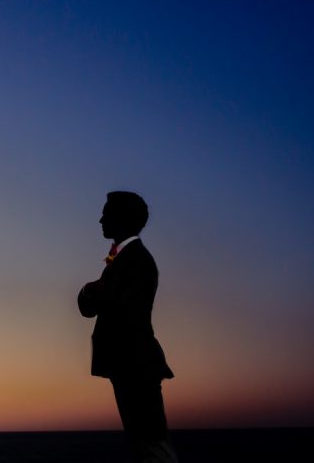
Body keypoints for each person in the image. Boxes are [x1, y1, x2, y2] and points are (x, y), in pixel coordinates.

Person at [78, 191, 177, 462]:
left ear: (121, 219)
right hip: (127, 365)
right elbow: (89, 306)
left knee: (152, 442)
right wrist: (90, 290)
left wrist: (94, 291)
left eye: (106, 213)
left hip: (136, 365)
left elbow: (112, 304)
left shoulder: (137, 260)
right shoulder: (120, 259)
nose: (100, 219)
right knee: (142, 442)